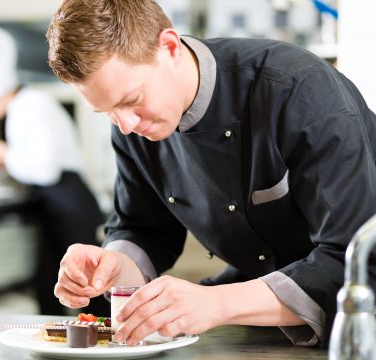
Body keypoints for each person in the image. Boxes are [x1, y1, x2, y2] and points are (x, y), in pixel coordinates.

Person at [46, 0, 376, 347]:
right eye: (107, 112)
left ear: (169, 47)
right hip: (259, 316)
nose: (125, 126)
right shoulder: (133, 127)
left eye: (132, 99)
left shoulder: (298, 90)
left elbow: (357, 262)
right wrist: (113, 265)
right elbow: (143, 229)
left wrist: (217, 305)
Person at [0, 25, 109, 315]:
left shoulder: (32, 106)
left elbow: (45, 169)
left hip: (70, 205)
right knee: (53, 288)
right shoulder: (21, 108)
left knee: (92, 291)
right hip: (56, 205)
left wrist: (2, 154)